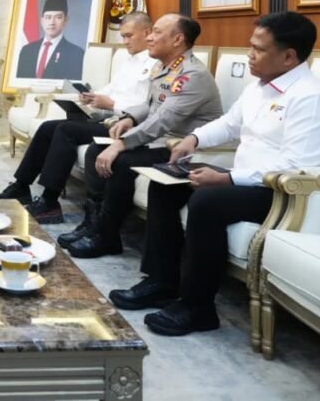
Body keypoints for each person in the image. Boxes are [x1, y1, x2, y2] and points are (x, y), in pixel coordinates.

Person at [110, 12, 320, 337]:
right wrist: (194, 139)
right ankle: (162, 282)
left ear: (289, 56)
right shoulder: (260, 87)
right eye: (251, 47)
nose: (250, 55)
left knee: (207, 201)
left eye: (258, 49)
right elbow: (229, 124)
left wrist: (228, 179)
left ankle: (198, 308)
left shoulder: (311, 98)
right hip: (249, 179)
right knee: (166, 183)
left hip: (289, 194)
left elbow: (295, 166)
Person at [66, 14, 223, 259]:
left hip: (183, 148)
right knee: (97, 150)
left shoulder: (192, 75)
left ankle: (107, 236)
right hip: (160, 140)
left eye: (157, 32)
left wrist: (121, 144)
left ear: (177, 40)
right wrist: (129, 118)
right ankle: (95, 223)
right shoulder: (163, 67)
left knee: (122, 161)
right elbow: (150, 106)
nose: (150, 37)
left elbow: (163, 121)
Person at [0, 12, 157, 225]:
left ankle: (49, 202)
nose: (125, 41)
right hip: (106, 117)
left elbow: (147, 107)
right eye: (123, 36)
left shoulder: (156, 64)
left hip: (125, 126)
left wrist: (112, 104)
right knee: (48, 127)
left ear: (147, 32)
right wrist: (92, 97)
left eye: (129, 36)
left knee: (66, 130)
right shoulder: (129, 60)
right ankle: (21, 186)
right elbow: (111, 89)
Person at [15, 0, 86, 80]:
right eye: (48, 17)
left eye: (58, 17)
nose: (52, 22)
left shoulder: (76, 54)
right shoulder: (26, 50)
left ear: (66, 20)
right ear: (42, 20)